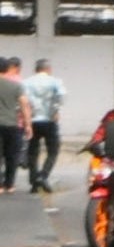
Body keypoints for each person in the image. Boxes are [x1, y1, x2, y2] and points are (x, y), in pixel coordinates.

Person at [24, 58, 64, 194]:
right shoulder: (55, 82)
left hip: (33, 121)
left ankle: (34, 182)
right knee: (53, 150)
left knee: (32, 152)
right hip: (49, 121)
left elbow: (23, 102)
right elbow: (61, 96)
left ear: (36, 69)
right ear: (48, 69)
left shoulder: (27, 82)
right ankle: (43, 175)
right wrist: (55, 111)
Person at [0, 59, 26, 194]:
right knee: (12, 155)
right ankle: (9, 185)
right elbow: (24, 104)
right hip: (12, 124)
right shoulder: (16, 85)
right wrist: (28, 125)